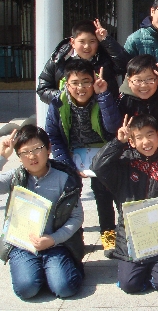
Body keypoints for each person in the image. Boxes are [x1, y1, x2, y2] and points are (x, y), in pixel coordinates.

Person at [91, 115, 158, 293]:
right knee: (130, 285)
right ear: (131, 141)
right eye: (138, 137)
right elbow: (98, 167)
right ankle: (138, 269)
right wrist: (117, 142)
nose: (146, 142)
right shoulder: (124, 164)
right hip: (131, 238)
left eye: (150, 135)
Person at [45, 59, 122, 258]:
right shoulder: (58, 102)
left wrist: (104, 95)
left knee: (102, 191)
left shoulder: (103, 96)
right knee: (69, 193)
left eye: (86, 81)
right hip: (73, 152)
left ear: (94, 80)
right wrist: (68, 165)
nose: (81, 88)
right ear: (66, 83)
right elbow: (53, 135)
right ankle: (75, 235)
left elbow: (114, 127)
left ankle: (108, 233)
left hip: (101, 151)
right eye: (75, 83)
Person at [0, 126, 84, 299]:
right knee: (26, 289)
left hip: (55, 244)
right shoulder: (15, 176)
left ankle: (57, 271)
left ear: (48, 148)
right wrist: (2, 156)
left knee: (65, 288)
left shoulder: (65, 178)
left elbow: (77, 217)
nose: (32, 156)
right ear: (19, 156)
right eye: (25, 152)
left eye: (37, 149)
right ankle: (41, 273)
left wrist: (53, 239)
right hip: (22, 244)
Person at [37, 19, 130, 104]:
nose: (87, 46)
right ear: (73, 42)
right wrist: (66, 97)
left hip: (103, 113)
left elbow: (125, 66)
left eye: (92, 41)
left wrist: (106, 40)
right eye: (82, 41)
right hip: (69, 116)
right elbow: (43, 88)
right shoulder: (59, 59)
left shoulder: (105, 57)